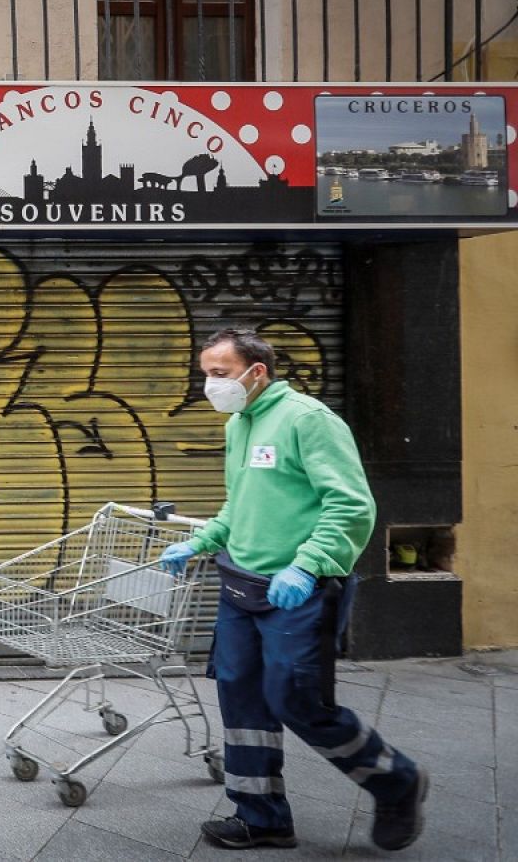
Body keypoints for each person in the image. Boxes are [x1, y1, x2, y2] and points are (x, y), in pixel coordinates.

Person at [158, 328, 427, 852]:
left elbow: (351, 505)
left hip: (297, 591)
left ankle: (397, 781)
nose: (210, 385)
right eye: (205, 374)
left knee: (297, 701)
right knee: (241, 699)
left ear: (256, 372)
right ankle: (261, 818)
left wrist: (307, 566)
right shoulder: (240, 423)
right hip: (242, 583)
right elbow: (242, 501)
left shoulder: (308, 420)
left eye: (219, 374)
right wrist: (203, 540)